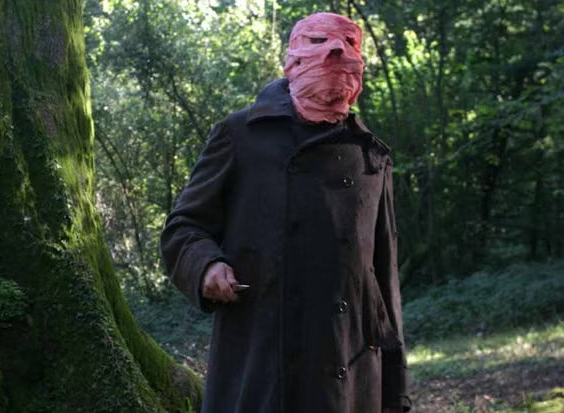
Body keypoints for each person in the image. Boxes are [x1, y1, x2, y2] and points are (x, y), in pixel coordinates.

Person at [160, 12, 411, 413]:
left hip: (350, 365)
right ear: (294, 58)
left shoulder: (371, 155)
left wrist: (395, 392)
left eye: (349, 46)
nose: (336, 54)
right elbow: (183, 228)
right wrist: (206, 266)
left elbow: (384, 277)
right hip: (263, 359)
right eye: (320, 44)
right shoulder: (241, 135)